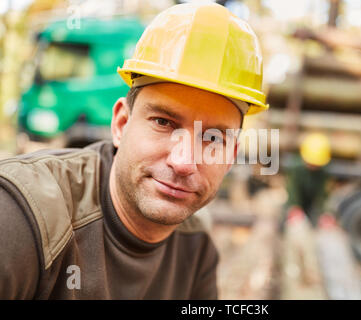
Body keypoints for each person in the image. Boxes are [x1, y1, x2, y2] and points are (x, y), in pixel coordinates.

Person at [0, 2, 268, 299]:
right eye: (164, 122)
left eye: (214, 139)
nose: (183, 162)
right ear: (121, 124)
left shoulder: (196, 247)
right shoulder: (23, 217)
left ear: (231, 156)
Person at [281, 132, 332, 229]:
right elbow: (292, 188)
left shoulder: (323, 172)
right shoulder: (296, 168)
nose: (314, 166)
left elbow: (323, 194)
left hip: (311, 204)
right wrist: (295, 207)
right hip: (296, 202)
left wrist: (325, 213)